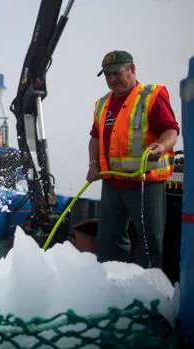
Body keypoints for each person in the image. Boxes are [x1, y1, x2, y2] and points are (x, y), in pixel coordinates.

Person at [86, 50, 179, 269]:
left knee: (149, 242)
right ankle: (110, 284)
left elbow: (171, 131)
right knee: (109, 241)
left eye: (116, 73)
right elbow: (94, 137)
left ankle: (145, 290)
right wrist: (93, 164)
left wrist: (162, 145)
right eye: (107, 75)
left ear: (132, 69)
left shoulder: (152, 97)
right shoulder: (102, 104)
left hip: (145, 184)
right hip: (112, 184)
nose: (111, 80)